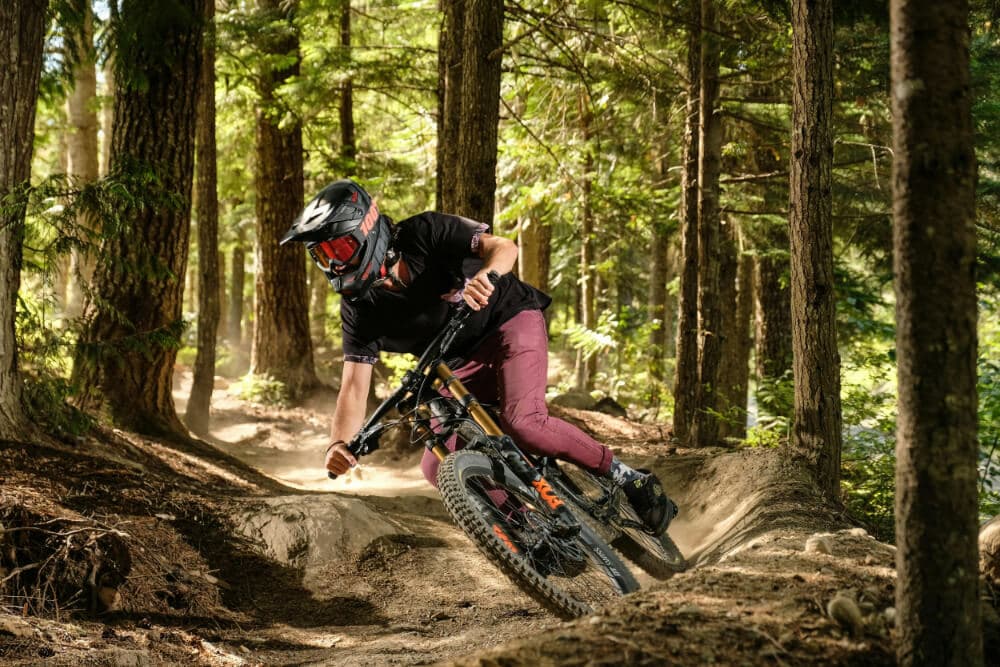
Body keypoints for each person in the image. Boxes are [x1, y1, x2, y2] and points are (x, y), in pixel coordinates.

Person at [280, 179, 678, 535]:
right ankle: (530, 531)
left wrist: (486, 278)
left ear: (367, 232)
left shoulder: (424, 231)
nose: (334, 263)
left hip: (508, 320)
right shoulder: (358, 307)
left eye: (340, 248)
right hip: (458, 365)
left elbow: (503, 247)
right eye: (323, 254)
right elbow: (353, 387)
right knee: (437, 467)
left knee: (524, 424)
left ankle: (629, 479)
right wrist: (337, 444)